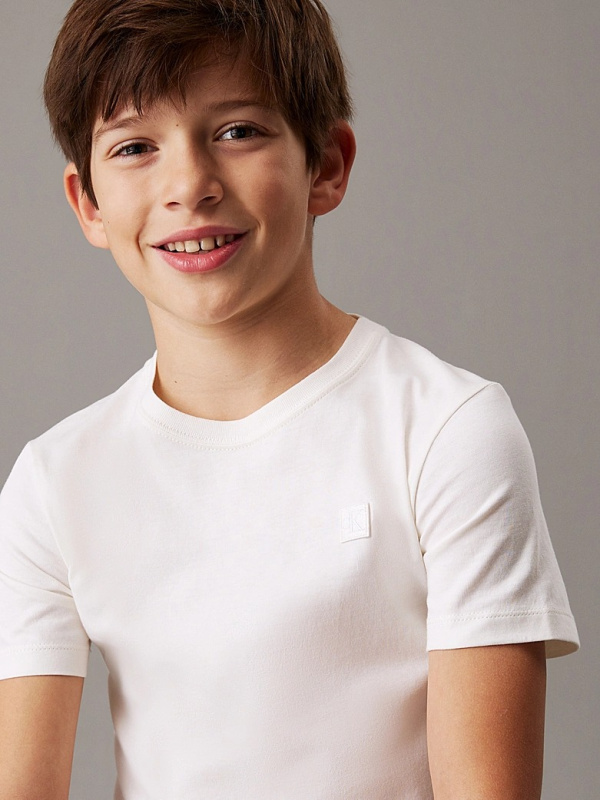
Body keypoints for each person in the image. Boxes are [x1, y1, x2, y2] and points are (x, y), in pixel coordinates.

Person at [0, 0, 579, 798]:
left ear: (327, 165)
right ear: (88, 204)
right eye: (134, 147)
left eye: (238, 131)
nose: (189, 186)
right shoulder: (53, 482)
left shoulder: (446, 430)